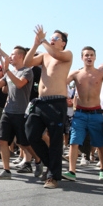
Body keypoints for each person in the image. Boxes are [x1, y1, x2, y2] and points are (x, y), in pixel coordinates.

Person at [23, 25, 73, 189]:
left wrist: (44, 40)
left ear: (63, 43)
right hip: (40, 102)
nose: (52, 39)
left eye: (56, 38)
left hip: (57, 102)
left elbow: (55, 54)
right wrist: (36, 44)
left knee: (56, 140)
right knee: (31, 134)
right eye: (51, 37)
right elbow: (27, 62)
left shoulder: (66, 54)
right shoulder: (44, 54)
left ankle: (53, 176)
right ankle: (51, 165)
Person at [63, 47, 103, 181]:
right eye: (86, 55)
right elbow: (61, 83)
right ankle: (71, 171)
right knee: (74, 142)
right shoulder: (75, 74)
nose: (89, 57)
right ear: (82, 58)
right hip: (79, 113)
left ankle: (102, 169)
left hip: (96, 113)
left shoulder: (101, 73)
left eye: (91, 55)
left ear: (95, 57)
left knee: (100, 143)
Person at [0, 44, 36, 180]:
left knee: (23, 143)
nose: (10, 57)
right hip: (7, 111)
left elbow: (20, 84)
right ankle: (6, 170)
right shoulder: (10, 72)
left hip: (21, 112)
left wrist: (7, 70)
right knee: (2, 140)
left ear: (20, 56)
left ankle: (38, 160)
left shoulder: (27, 71)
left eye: (13, 55)